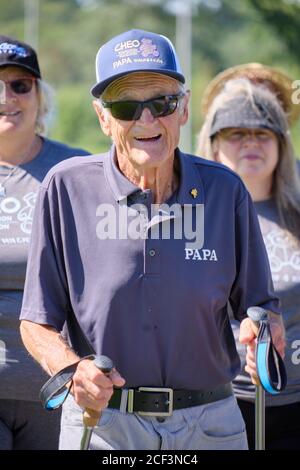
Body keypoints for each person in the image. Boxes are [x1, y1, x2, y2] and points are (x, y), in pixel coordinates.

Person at [19, 29, 284, 451]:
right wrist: (72, 371)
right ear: (103, 118)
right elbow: (36, 321)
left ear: (183, 109)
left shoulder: (226, 190)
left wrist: (264, 329)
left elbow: (259, 306)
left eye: (162, 103)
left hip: (211, 424)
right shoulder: (66, 189)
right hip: (104, 426)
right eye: (126, 106)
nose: (146, 121)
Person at [197, 72, 300, 449]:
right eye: (236, 133)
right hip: (216, 404)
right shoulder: (191, 217)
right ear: (213, 143)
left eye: (262, 133)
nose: (251, 143)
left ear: (281, 144)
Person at [0, 35, 90, 450]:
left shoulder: (77, 171)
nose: (8, 96)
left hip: (60, 386)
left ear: (40, 96)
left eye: (21, 84)